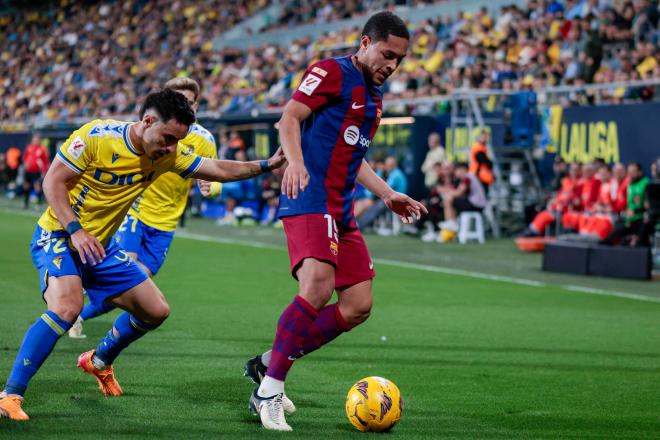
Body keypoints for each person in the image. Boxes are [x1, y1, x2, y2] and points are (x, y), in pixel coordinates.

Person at [0, 89, 285, 421]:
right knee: (67, 307)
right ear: (148, 120)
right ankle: (11, 394)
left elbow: (217, 168)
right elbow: (53, 182)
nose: (171, 148)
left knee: (156, 311)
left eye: (177, 141)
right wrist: (76, 230)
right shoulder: (96, 136)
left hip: (102, 246)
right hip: (61, 235)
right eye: (167, 137)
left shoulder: (166, 154)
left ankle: (98, 361)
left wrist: (267, 164)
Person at [242, 11, 426, 432]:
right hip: (309, 197)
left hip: (341, 209)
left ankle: (269, 363)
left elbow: (354, 157)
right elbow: (288, 117)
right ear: (364, 43)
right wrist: (297, 164)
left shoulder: (375, 100)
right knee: (318, 287)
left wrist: (387, 193)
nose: (391, 65)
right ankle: (269, 391)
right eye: (386, 54)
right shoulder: (330, 71)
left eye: (398, 59)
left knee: (358, 305)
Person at [68, 78, 221, 338]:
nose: (185, 105)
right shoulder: (148, 131)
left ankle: (78, 312)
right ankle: (77, 311)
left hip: (166, 223)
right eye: (179, 99)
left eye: (190, 102)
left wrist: (211, 188)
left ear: (196, 105)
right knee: (129, 274)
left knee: (137, 285)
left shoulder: (204, 140)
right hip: (135, 213)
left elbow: (213, 177)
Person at [602, 162, 651, 246]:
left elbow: (648, 206)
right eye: (629, 172)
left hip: (640, 219)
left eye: (633, 171)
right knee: (612, 235)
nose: (631, 174)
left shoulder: (646, 183)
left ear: (640, 172)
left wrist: (635, 211)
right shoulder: (629, 184)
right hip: (629, 219)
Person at [22, 134, 50, 209]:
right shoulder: (29, 147)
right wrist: (25, 165)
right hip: (28, 171)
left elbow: (45, 161)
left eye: (37, 139)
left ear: (39, 140)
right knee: (26, 186)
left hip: (37, 171)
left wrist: (44, 171)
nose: (36, 140)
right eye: (34, 139)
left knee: (37, 187)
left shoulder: (42, 149)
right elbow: (25, 158)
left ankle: (38, 204)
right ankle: (25, 203)